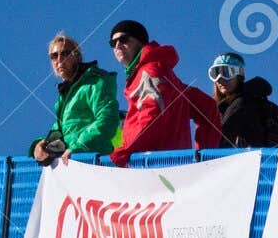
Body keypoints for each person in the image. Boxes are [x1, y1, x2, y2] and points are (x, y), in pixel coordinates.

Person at [107, 21, 221, 167]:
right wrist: (203, 159)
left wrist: (124, 151)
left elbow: (152, 113)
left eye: (123, 39)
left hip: (155, 166)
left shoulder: (149, 71)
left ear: (140, 42)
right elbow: (208, 107)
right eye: (113, 42)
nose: (117, 45)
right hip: (172, 166)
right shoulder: (167, 76)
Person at [31, 33, 121, 163]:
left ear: (77, 56)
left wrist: (78, 147)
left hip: (94, 163)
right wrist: (39, 146)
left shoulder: (96, 82)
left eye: (65, 53)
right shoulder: (65, 96)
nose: (59, 59)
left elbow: (107, 120)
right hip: (73, 164)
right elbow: (60, 132)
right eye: (54, 56)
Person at [209, 52, 278, 149]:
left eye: (227, 73)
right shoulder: (250, 100)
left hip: (246, 162)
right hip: (260, 161)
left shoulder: (241, 104)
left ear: (239, 75)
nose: (220, 79)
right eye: (215, 73)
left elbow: (221, 144)